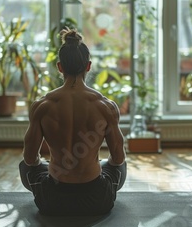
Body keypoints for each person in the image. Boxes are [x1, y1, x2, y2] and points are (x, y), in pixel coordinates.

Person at [19, 28, 127, 216]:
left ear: (60, 67)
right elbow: (118, 159)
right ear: (88, 66)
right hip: (97, 200)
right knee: (120, 165)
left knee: (26, 166)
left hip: (52, 201)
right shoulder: (105, 107)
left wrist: (45, 165)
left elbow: (30, 159)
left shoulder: (42, 106)